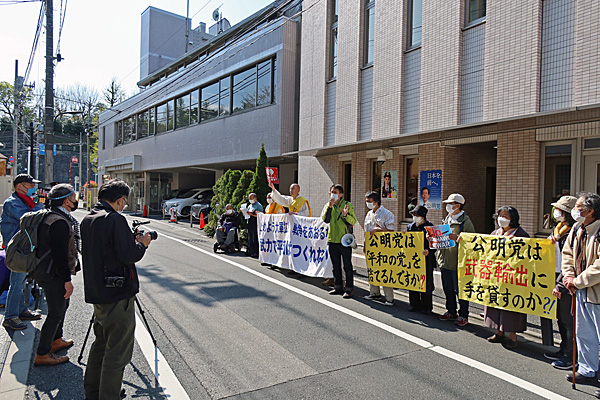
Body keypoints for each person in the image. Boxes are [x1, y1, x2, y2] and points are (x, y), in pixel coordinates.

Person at [81, 178, 152, 400]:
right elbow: (128, 254)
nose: (125, 205)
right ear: (120, 200)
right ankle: (109, 395)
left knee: (101, 344)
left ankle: (93, 391)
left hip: (97, 291)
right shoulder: (115, 219)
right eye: (125, 201)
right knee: (117, 352)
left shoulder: (88, 218)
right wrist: (142, 244)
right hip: (117, 293)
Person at [32, 184, 79, 366]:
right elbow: (60, 255)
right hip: (52, 273)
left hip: (47, 269)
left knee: (63, 305)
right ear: (66, 201)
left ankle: (56, 339)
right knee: (56, 311)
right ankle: (42, 353)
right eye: (73, 197)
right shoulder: (58, 222)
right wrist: (67, 280)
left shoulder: (52, 216)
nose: (75, 200)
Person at [561, 192, 600, 385]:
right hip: (580, 289)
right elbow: (567, 254)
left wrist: (578, 281)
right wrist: (569, 277)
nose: (574, 211)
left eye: (578, 207)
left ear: (590, 211)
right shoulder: (577, 228)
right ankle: (587, 369)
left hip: (595, 291)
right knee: (584, 334)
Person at [0, 174, 44, 330]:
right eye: (30, 185)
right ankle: (10, 317)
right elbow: (28, 219)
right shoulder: (12, 203)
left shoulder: (26, 201)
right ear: (20, 186)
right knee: (16, 282)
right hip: (16, 249)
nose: (33, 188)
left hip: (25, 247)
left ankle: (21, 310)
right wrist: (40, 203)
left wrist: (38, 203)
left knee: (23, 281)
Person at [484, 206, 529, 350]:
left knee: (511, 307)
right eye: (500, 215)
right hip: (496, 276)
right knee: (495, 302)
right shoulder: (494, 233)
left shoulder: (521, 235)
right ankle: (498, 332)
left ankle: (512, 337)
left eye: (506, 216)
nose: (501, 219)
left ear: (513, 219)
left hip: (513, 278)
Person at [543, 195, 577, 369]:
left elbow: (570, 262)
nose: (555, 212)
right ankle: (563, 349)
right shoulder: (559, 230)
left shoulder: (573, 233)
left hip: (566, 281)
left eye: (559, 210)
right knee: (561, 318)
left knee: (568, 321)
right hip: (556, 276)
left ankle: (571, 356)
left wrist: (561, 283)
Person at [436, 193, 475, 327]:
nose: (447, 206)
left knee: (461, 291)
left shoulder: (465, 221)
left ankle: (463, 315)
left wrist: (457, 238)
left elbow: (472, 241)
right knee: (447, 288)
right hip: (445, 260)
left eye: (450, 204)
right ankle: (451, 311)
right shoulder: (447, 219)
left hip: (458, 262)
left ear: (458, 206)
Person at [323, 184, 357, 298]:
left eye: (335, 192)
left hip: (344, 240)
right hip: (332, 239)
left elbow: (353, 221)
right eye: (332, 192)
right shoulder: (329, 205)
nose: (333, 194)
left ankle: (349, 289)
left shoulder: (347, 205)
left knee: (347, 266)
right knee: (335, 265)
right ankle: (337, 287)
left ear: (341, 194)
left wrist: (345, 215)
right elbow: (326, 220)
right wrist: (329, 207)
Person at [362, 191, 396, 306]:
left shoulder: (387, 214)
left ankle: (389, 298)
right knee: (372, 269)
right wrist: (365, 244)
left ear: (376, 202)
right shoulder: (369, 214)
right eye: (367, 201)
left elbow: (391, 231)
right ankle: (374, 292)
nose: (368, 204)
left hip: (384, 247)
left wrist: (379, 230)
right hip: (371, 246)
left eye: (369, 201)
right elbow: (366, 231)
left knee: (385, 270)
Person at [407, 205, 436, 313]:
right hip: (413, 258)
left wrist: (429, 251)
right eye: (413, 215)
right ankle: (414, 304)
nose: (415, 217)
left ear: (423, 216)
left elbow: (434, 244)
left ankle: (426, 306)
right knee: (413, 280)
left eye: (417, 215)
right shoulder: (410, 227)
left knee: (426, 282)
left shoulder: (429, 227)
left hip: (427, 260)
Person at [245, 193, 263, 259]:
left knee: (254, 237)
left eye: (251, 198)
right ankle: (250, 250)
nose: (250, 200)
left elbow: (260, 215)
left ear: (255, 198)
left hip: (255, 222)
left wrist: (251, 214)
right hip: (249, 221)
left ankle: (255, 252)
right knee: (250, 237)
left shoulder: (259, 206)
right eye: (249, 198)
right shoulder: (250, 206)